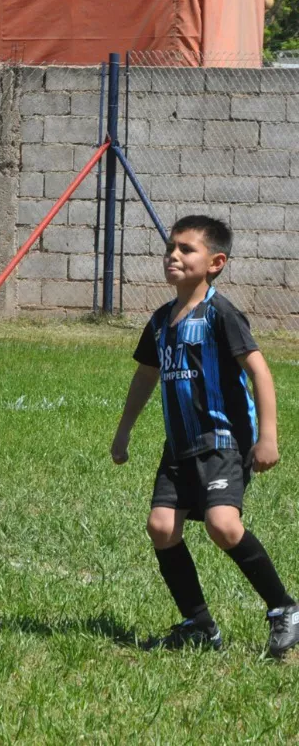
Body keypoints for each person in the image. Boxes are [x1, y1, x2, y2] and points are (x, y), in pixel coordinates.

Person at [111, 215, 299, 656]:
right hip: (178, 447)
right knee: (161, 527)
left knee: (223, 526)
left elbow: (260, 373)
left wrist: (267, 437)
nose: (173, 255)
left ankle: (283, 609)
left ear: (216, 262)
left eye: (186, 249)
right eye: (170, 248)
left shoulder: (221, 314)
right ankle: (198, 623)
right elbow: (145, 376)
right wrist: (124, 432)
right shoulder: (161, 321)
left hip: (223, 441)